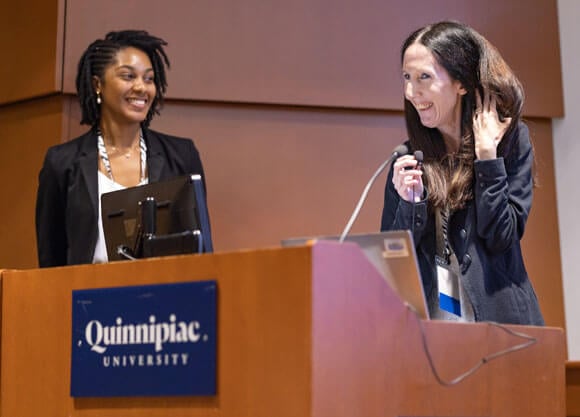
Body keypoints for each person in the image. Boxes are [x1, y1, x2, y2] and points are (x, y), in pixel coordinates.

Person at [380, 21, 544, 325]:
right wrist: (410, 203)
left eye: (423, 78)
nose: (410, 92)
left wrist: (487, 161)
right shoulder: (406, 160)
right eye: (406, 77)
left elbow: (500, 238)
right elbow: (393, 263)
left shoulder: (510, 142)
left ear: (461, 83)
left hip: (503, 327)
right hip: (436, 330)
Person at [36, 30, 208, 267]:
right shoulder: (62, 162)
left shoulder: (181, 156)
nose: (141, 87)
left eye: (149, 79)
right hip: (88, 300)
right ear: (98, 84)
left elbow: (201, 251)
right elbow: (50, 260)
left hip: (166, 300)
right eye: (128, 76)